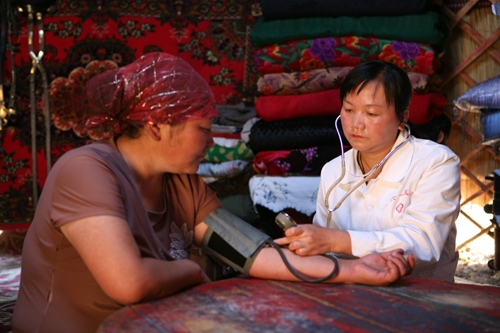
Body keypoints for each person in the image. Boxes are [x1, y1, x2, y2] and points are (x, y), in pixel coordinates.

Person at [12, 53, 414, 333]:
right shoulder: (86, 170)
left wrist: (354, 270)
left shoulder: (181, 181)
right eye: (203, 129)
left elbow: (250, 252)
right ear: (156, 125)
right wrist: (191, 271)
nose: (211, 143)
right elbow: (128, 283)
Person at [275, 60, 460, 282]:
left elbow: (423, 243)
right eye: (349, 109)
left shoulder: (436, 162)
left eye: (371, 113)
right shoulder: (333, 171)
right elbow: (323, 247)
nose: (356, 124)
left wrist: (336, 240)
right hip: (347, 290)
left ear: (402, 117)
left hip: (421, 296)